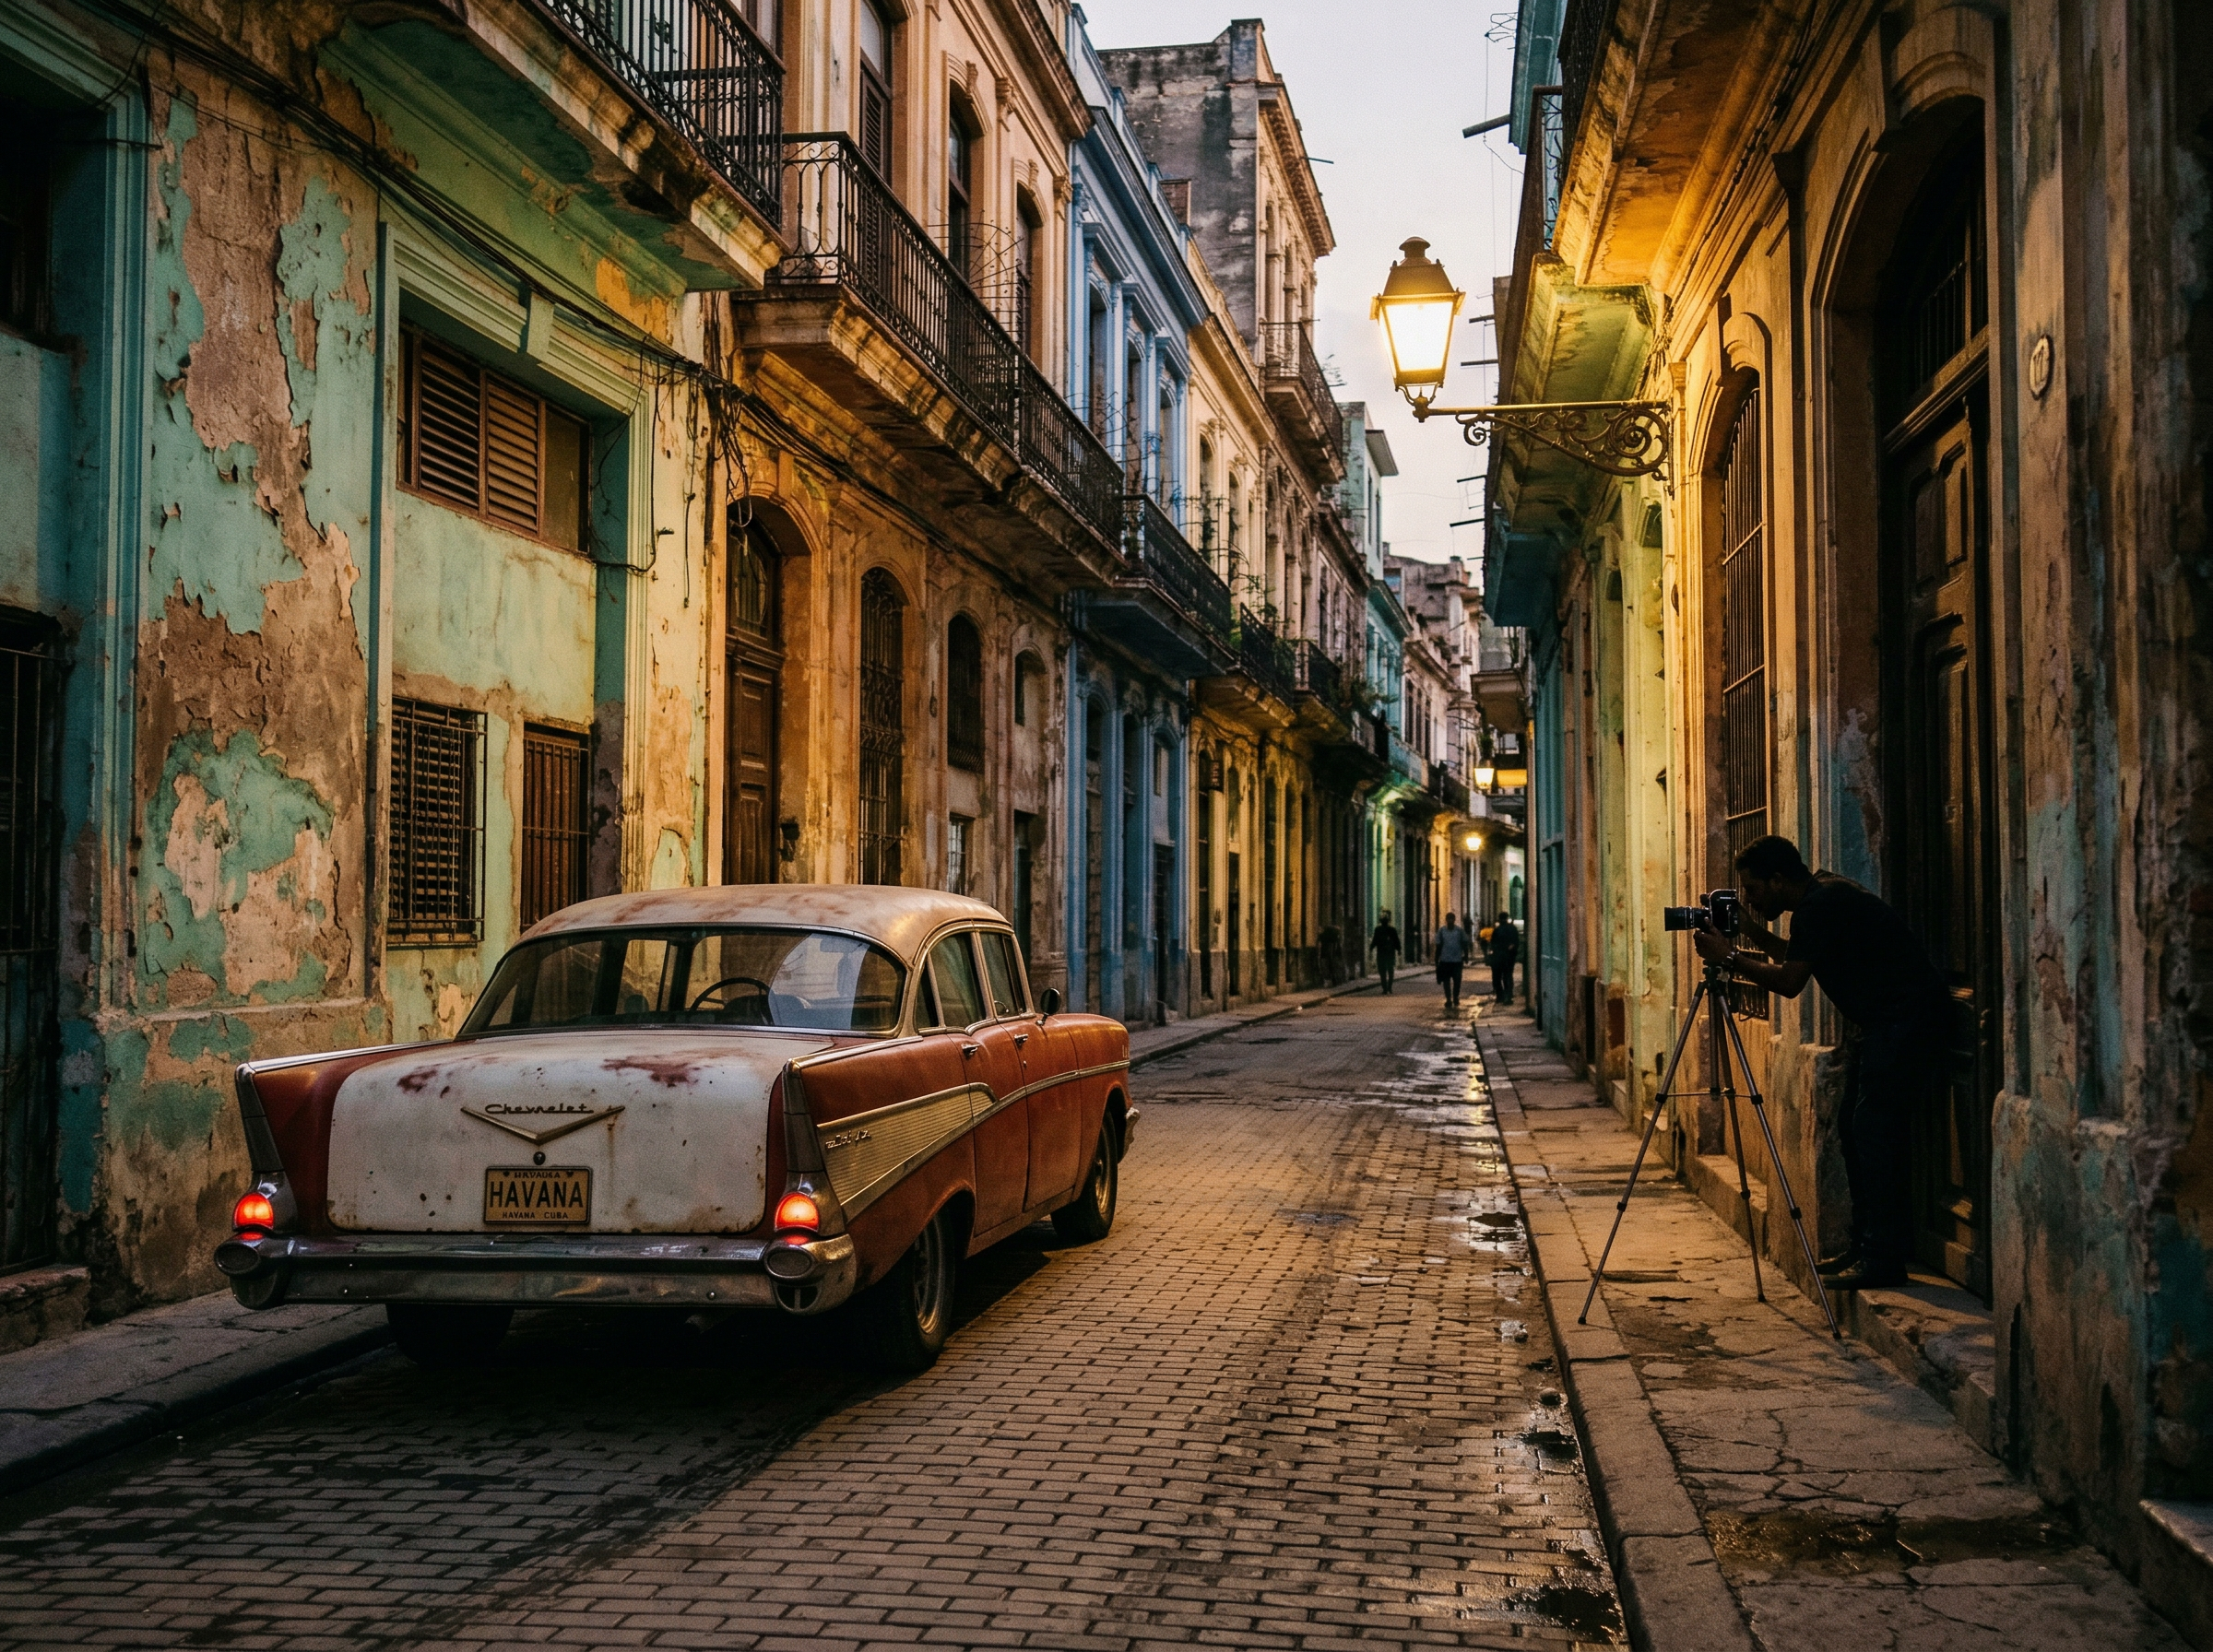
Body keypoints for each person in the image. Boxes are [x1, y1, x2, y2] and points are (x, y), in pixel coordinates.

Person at [1691, 833, 1948, 1292]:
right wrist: (1747, 935)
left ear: (1777, 879)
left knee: (1873, 1136)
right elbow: (1796, 956)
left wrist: (1728, 958)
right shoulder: (1821, 895)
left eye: (1752, 889)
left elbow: (1790, 981)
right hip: (1887, 1025)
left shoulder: (1819, 907)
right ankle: (1867, 1248)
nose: (1748, 898)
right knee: (1855, 1130)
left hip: (1905, 1023)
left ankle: (1884, 1259)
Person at [1434, 914, 1471, 1010]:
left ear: (1454, 920)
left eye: (1452, 919)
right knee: (1446, 981)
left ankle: (1455, 997)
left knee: (1457, 981)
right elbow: (1438, 946)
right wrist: (1436, 959)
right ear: (1446, 920)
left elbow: (1465, 943)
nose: (1450, 920)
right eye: (1448, 919)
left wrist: (1466, 956)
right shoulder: (1441, 931)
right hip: (1445, 960)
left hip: (1457, 961)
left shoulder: (1459, 931)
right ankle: (1448, 999)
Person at [1488, 914, 1521, 1005]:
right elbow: (1516, 942)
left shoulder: (1498, 929)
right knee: (1507, 976)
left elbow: (1493, 943)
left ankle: (1501, 996)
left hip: (1500, 955)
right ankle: (1507, 996)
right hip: (1507, 956)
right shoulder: (1511, 928)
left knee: (1498, 977)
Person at [1370, 911, 1402, 994]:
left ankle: (1385, 988)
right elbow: (1396, 941)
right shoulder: (1392, 929)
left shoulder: (1378, 929)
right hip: (1389, 953)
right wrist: (1399, 950)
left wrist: (1371, 948)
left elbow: (1375, 941)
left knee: (1383, 972)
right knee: (1389, 971)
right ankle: (1389, 988)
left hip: (1381, 953)